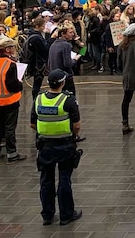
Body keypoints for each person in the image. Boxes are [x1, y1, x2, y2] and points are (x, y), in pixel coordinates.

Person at [31, 68, 82, 226]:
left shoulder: (39, 100)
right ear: (63, 82)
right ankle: (66, 214)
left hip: (45, 145)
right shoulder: (68, 100)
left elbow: (33, 124)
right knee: (64, 179)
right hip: (64, 145)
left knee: (46, 180)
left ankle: (47, 214)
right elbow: (77, 126)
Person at [47, 20, 80, 97]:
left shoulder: (53, 44)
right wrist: (75, 59)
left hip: (54, 77)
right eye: (70, 32)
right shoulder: (66, 45)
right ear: (63, 34)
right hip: (65, 78)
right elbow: (67, 63)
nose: (72, 34)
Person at [25, 15, 49, 99]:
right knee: (37, 84)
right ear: (37, 26)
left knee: (37, 84)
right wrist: (50, 39)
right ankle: (35, 99)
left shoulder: (31, 35)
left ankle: (35, 98)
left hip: (34, 62)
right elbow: (44, 49)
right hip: (38, 64)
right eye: (43, 26)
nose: (44, 27)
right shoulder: (37, 38)